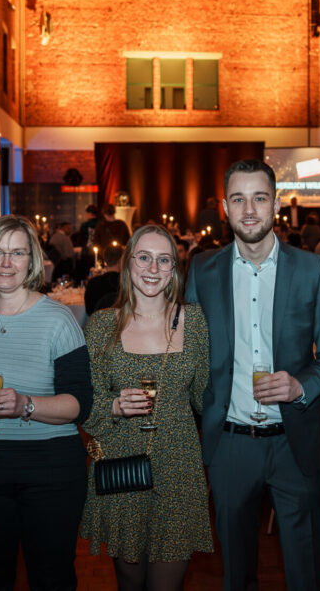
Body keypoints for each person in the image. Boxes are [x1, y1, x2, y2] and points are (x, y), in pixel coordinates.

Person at [185, 159, 320, 591]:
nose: (249, 209)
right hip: (230, 446)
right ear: (225, 207)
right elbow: (191, 353)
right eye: (239, 199)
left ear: (275, 204)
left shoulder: (311, 270)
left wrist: (301, 386)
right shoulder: (202, 270)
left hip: (294, 443)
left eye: (259, 198)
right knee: (236, 573)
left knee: (306, 571)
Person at [0, 214, 93, 590]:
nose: (6, 262)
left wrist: (26, 404)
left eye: (17, 253)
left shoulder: (59, 320)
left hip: (49, 476)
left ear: (32, 261)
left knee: (52, 579)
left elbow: (80, 404)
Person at [80, 225, 212, 590]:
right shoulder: (103, 324)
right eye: (144, 257)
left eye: (164, 259)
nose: (153, 267)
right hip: (122, 464)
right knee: (128, 580)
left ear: (174, 269)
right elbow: (85, 404)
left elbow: (204, 396)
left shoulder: (195, 321)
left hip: (179, 465)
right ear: (128, 264)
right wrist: (114, 406)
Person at [86, 244, 124, 315]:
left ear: (105, 260)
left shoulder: (93, 282)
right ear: (121, 260)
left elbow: (89, 311)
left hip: (97, 323)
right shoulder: (124, 283)